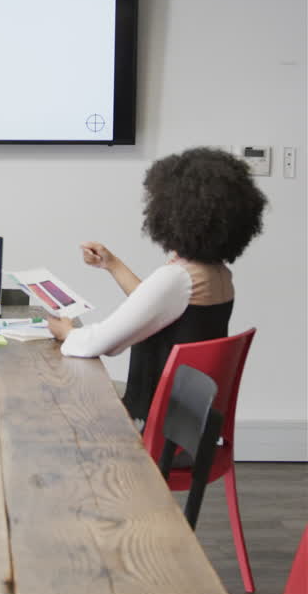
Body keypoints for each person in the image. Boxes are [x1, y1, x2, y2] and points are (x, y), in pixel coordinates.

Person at [46, 147, 267, 425]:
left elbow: (99, 343)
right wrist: (112, 264)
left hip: (154, 424)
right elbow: (158, 306)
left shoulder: (178, 278)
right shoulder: (218, 274)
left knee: (58, 393)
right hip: (190, 427)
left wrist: (67, 331)